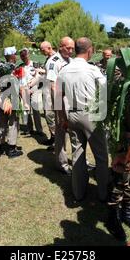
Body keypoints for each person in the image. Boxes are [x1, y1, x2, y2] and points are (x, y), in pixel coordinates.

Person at [57, 37, 109, 202]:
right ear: (90, 50)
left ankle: (78, 192)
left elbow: (58, 97)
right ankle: (103, 193)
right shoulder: (93, 70)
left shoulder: (64, 70)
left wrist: (63, 118)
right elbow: (103, 94)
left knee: (78, 151)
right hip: (91, 114)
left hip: (72, 113)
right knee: (101, 155)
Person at [46, 37, 74, 175]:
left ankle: (78, 160)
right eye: (68, 48)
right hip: (61, 101)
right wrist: (59, 110)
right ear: (60, 46)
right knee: (61, 132)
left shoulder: (71, 60)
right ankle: (61, 163)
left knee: (74, 131)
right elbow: (52, 86)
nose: (71, 51)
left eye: (73, 48)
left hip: (72, 100)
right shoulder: (53, 62)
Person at [0, 47, 23, 158]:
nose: (16, 56)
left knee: (1, 122)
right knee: (13, 123)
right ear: (11, 56)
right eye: (14, 54)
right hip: (11, 99)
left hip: (1, 98)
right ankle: (11, 149)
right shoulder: (10, 68)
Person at [18, 48, 45, 138]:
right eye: (22, 56)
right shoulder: (20, 66)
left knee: (35, 108)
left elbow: (41, 76)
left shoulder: (35, 64)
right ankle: (29, 129)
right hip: (24, 88)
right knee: (26, 109)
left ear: (28, 55)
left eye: (25, 55)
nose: (23, 57)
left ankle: (39, 130)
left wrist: (32, 85)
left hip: (34, 87)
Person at [39, 41, 57, 147]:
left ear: (49, 48)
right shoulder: (48, 58)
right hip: (46, 89)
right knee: (47, 114)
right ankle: (53, 137)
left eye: (43, 50)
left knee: (50, 114)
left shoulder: (56, 58)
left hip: (52, 89)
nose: (41, 52)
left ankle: (56, 139)